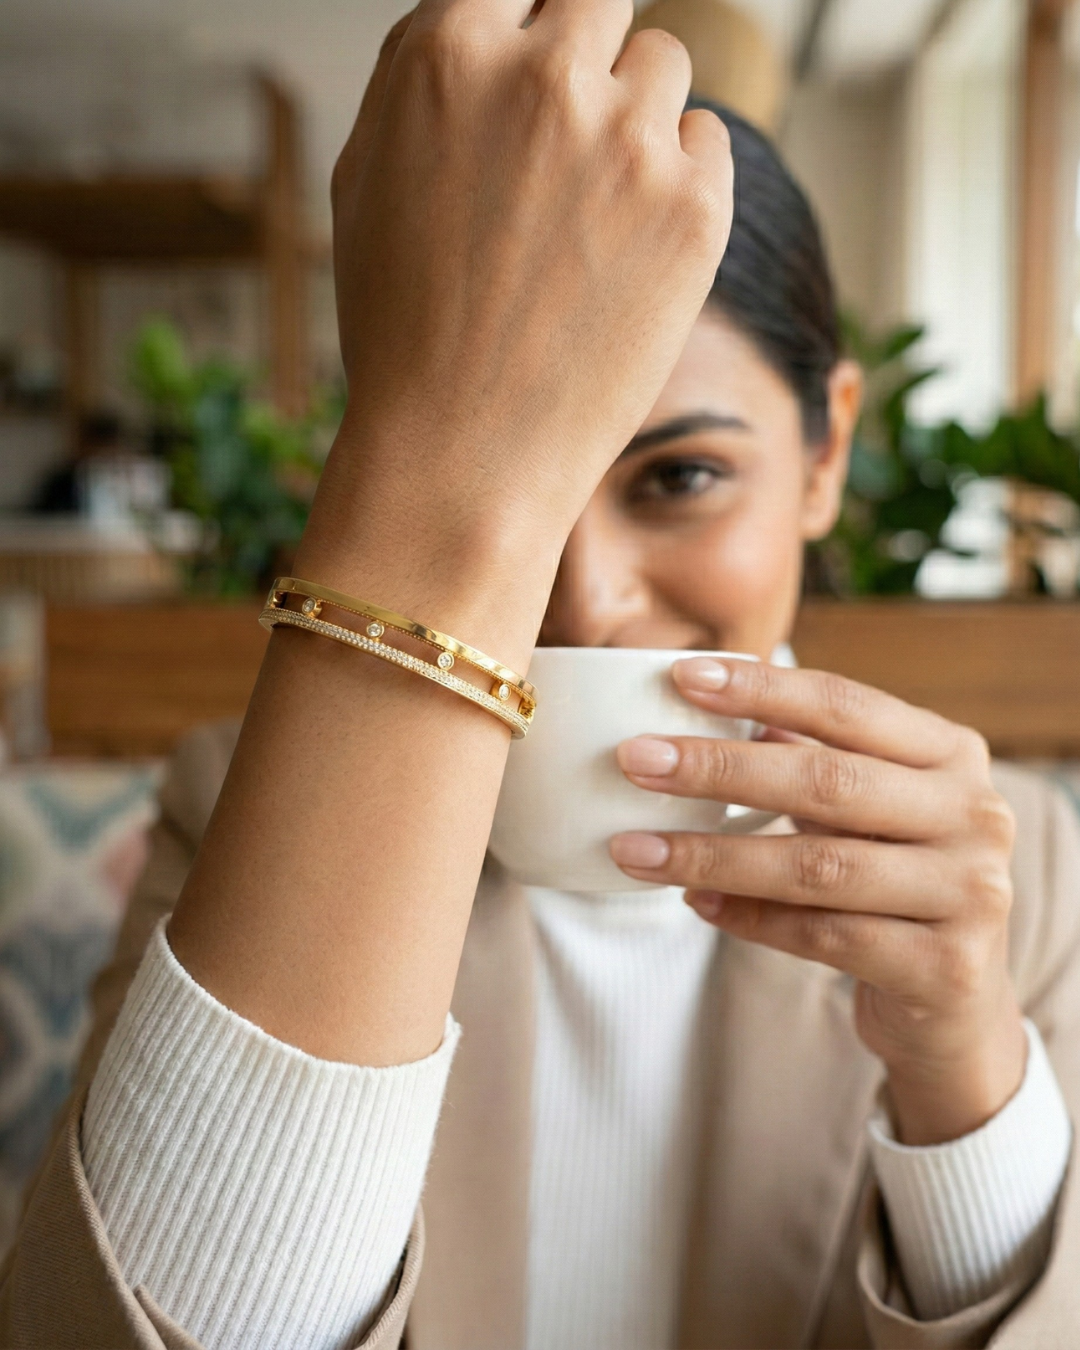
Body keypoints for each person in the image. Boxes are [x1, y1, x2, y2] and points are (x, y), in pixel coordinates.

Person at [4, 3, 1079, 1347]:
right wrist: (443, 461)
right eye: (539, 494)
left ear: (824, 454)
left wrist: (965, 1072)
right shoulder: (237, 801)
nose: (582, 601)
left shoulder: (1008, 868)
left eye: (680, 478)